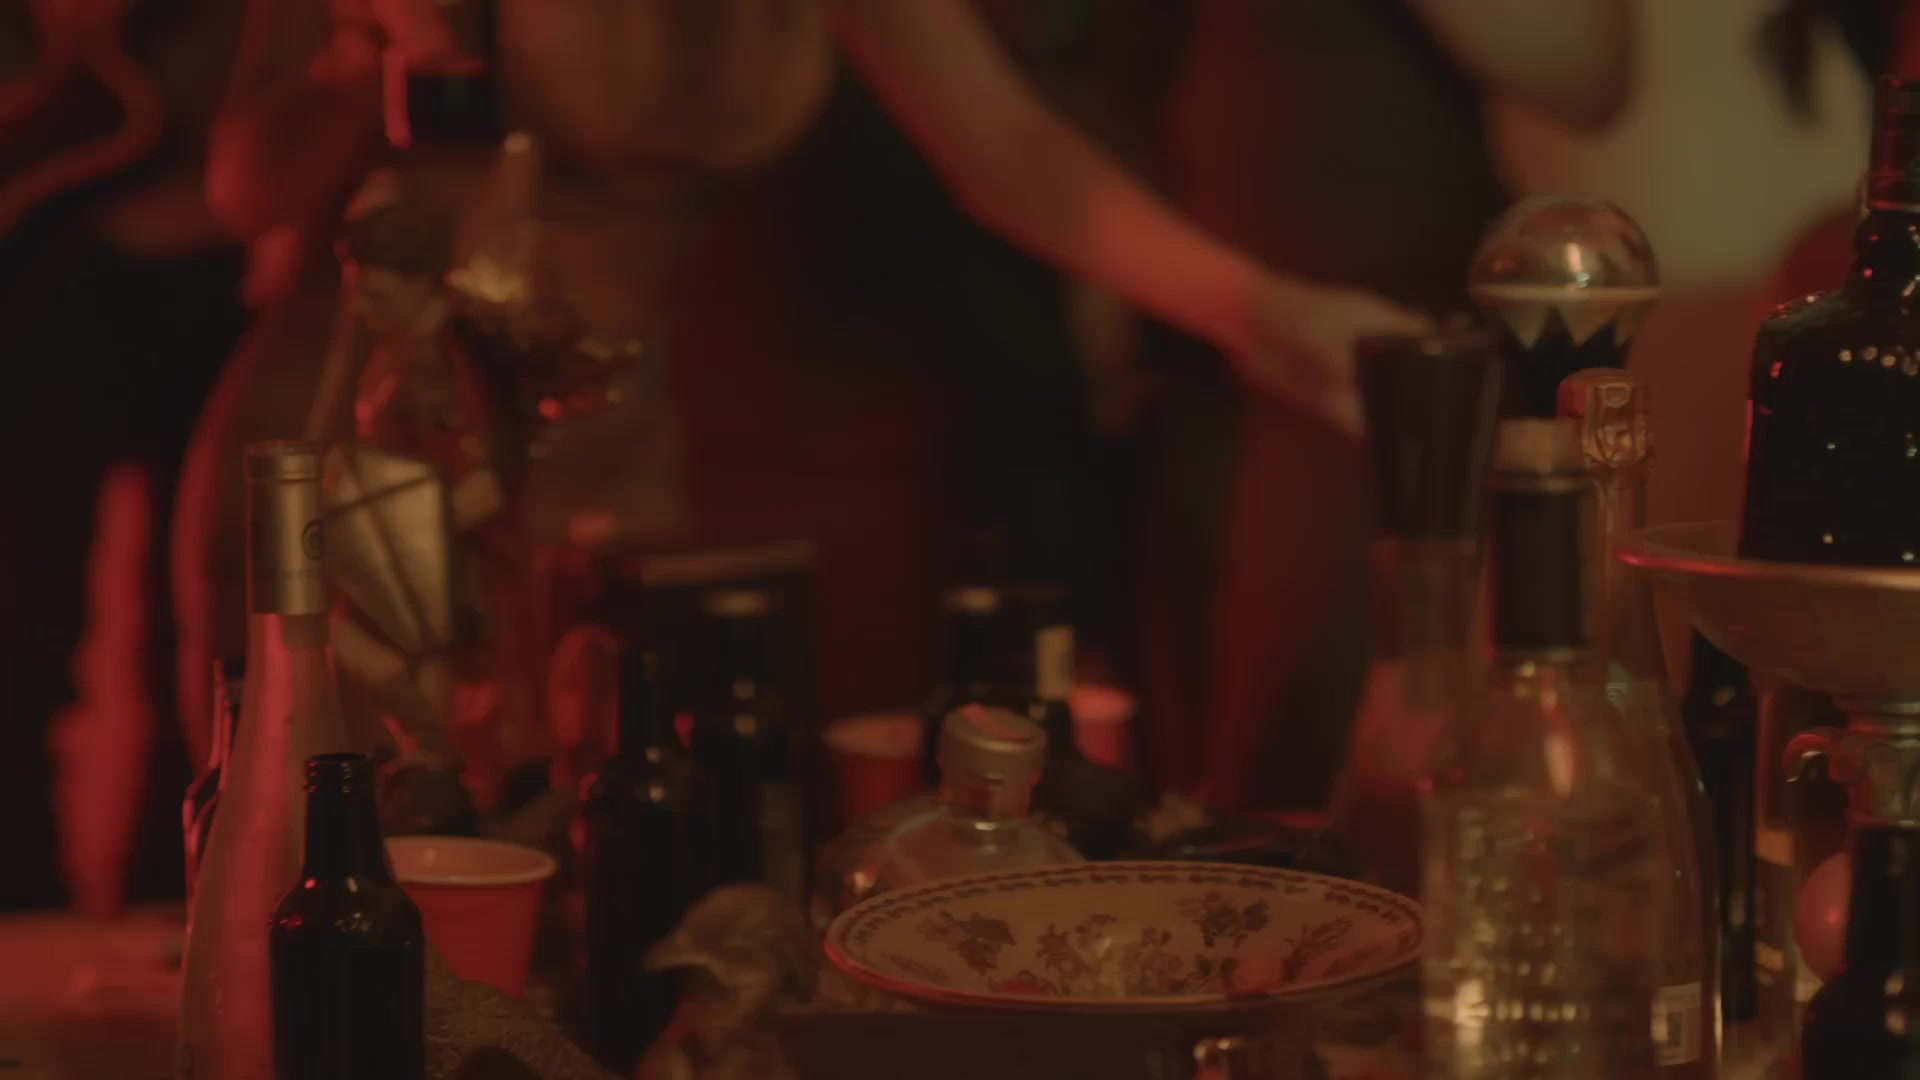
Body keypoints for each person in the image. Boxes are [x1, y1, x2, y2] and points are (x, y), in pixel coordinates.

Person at [172, 0, 1428, 761]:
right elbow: (245, 189)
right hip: (373, 444)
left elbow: (1008, 153)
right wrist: (354, 58)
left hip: (611, 448)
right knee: (339, 903)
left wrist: (1265, 313)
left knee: (583, 890)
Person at [1123, 0, 1635, 809]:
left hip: (1442, 357)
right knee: (1256, 794)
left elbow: (1586, 71)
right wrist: (1250, 309)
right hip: (1235, 365)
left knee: (1463, 768)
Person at [0, 0, 248, 912]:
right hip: (59, 265)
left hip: (237, 270)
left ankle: (182, 892)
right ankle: (22, 891)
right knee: (24, 620)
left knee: (207, 630)